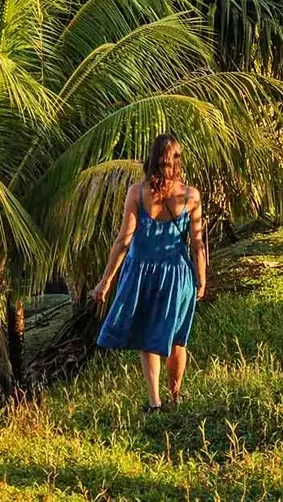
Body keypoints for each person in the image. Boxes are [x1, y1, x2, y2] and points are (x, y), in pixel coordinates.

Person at [90, 133, 207, 412]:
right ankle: (176, 396)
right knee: (177, 336)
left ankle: (155, 401)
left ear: (151, 159)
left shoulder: (137, 192)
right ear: (178, 161)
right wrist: (201, 280)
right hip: (179, 275)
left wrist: (105, 281)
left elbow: (124, 239)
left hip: (142, 272)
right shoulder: (191, 195)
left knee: (148, 337)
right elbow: (198, 243)